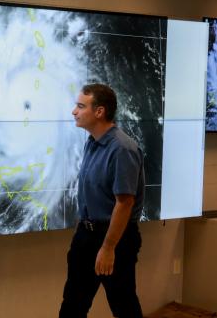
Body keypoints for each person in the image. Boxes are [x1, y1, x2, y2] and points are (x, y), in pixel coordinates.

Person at [59, 83, 145, 318]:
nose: (74, 111)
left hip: (115, 239)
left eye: (80, 106)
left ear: (100, 111)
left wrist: (108, 248)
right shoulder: (92, 143)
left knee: (123, 304)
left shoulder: (122, 149)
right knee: (72, 304)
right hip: (86, 236)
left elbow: (124, 203)